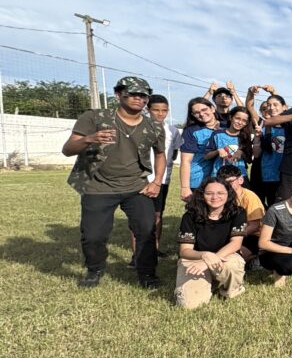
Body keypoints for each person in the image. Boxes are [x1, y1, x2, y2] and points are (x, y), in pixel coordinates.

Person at [62, 76, 166, 288]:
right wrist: (89, 139)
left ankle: (147, 274)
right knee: (93, 235)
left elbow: (160, 154)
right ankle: (95, 270)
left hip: (136, 186)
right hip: (98, 186)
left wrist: (157, 181)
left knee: (147, 229)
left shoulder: (154, 126)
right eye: (132, 94)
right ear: (118, 95)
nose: (139, 98)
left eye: (143, 95)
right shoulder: (95, 117)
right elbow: (67, 150)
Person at [173, 176, 247, 308]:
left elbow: (236, 244)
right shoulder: (190, 216)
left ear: (228, 194)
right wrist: (204, 255)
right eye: (209, 193)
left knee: (232, 265)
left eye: (220, 193)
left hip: (225, 256)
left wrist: (209, 261)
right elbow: (184, 251)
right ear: (202, 195)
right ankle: (208, 284)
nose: (215, 197)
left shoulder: (238, 213)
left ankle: (230, 289)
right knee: (189, 305)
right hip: (195, 259)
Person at [142, 94, 181, 257]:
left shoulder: (173, 131)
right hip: (141, 178)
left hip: (162, 179)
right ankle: (138, 253)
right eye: (156, 110)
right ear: (148, 109)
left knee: (158, 214)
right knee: (140, 216)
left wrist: (165, 168)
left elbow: (174, 152)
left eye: (164, 110)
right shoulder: (140, 127)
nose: (160, 113)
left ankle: (155, 248)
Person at [218, 164, 265, 263]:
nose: (226, 185)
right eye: (222, 183)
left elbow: (255, 226)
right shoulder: (219, 197)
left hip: (251, 236)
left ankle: (256, 257)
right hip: (229, 234)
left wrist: (233, 236)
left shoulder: (249, 197)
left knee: (232, 257)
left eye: (230, 182)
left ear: (240, 180)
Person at [179, 97, 219, 201]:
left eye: (204, 109)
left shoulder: (227, 127)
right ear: (192, 115)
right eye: (196, 112)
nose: (201, 114)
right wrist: (185, 188)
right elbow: (185, 161)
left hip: (221, 180)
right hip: (198, 181)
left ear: (213, 108)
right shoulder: (191, 131)